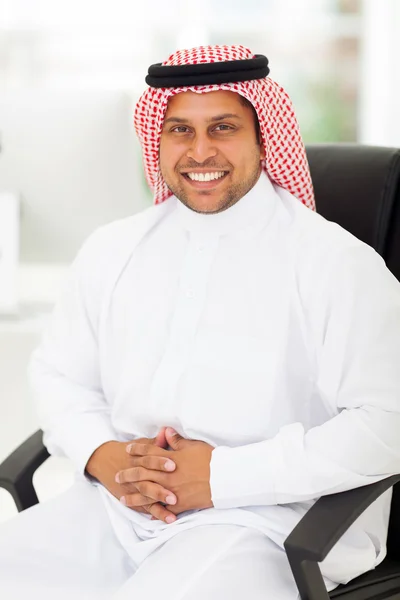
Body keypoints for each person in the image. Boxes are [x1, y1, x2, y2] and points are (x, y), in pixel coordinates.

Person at [0, 44, 400, 600]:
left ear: (263, 135)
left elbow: (385, 426)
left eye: (223, 127)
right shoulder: (113, 249)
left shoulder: (336, 264)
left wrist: (216, 479)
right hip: (119, 509)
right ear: (156, 140)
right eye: (179, 130)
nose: (200, 150)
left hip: (269, 524)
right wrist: (106, 456)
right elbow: (58, 375)